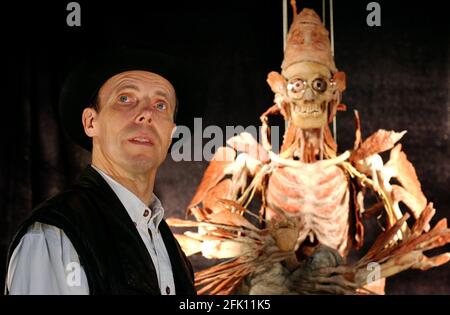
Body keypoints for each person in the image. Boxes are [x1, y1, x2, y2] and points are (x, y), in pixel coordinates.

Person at [4, 49, 197, 295]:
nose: (147, 113)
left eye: (161, 104)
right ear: (91, 122)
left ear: (172, 133)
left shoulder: (171, 250)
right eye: (125, 99)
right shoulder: (56, 236)